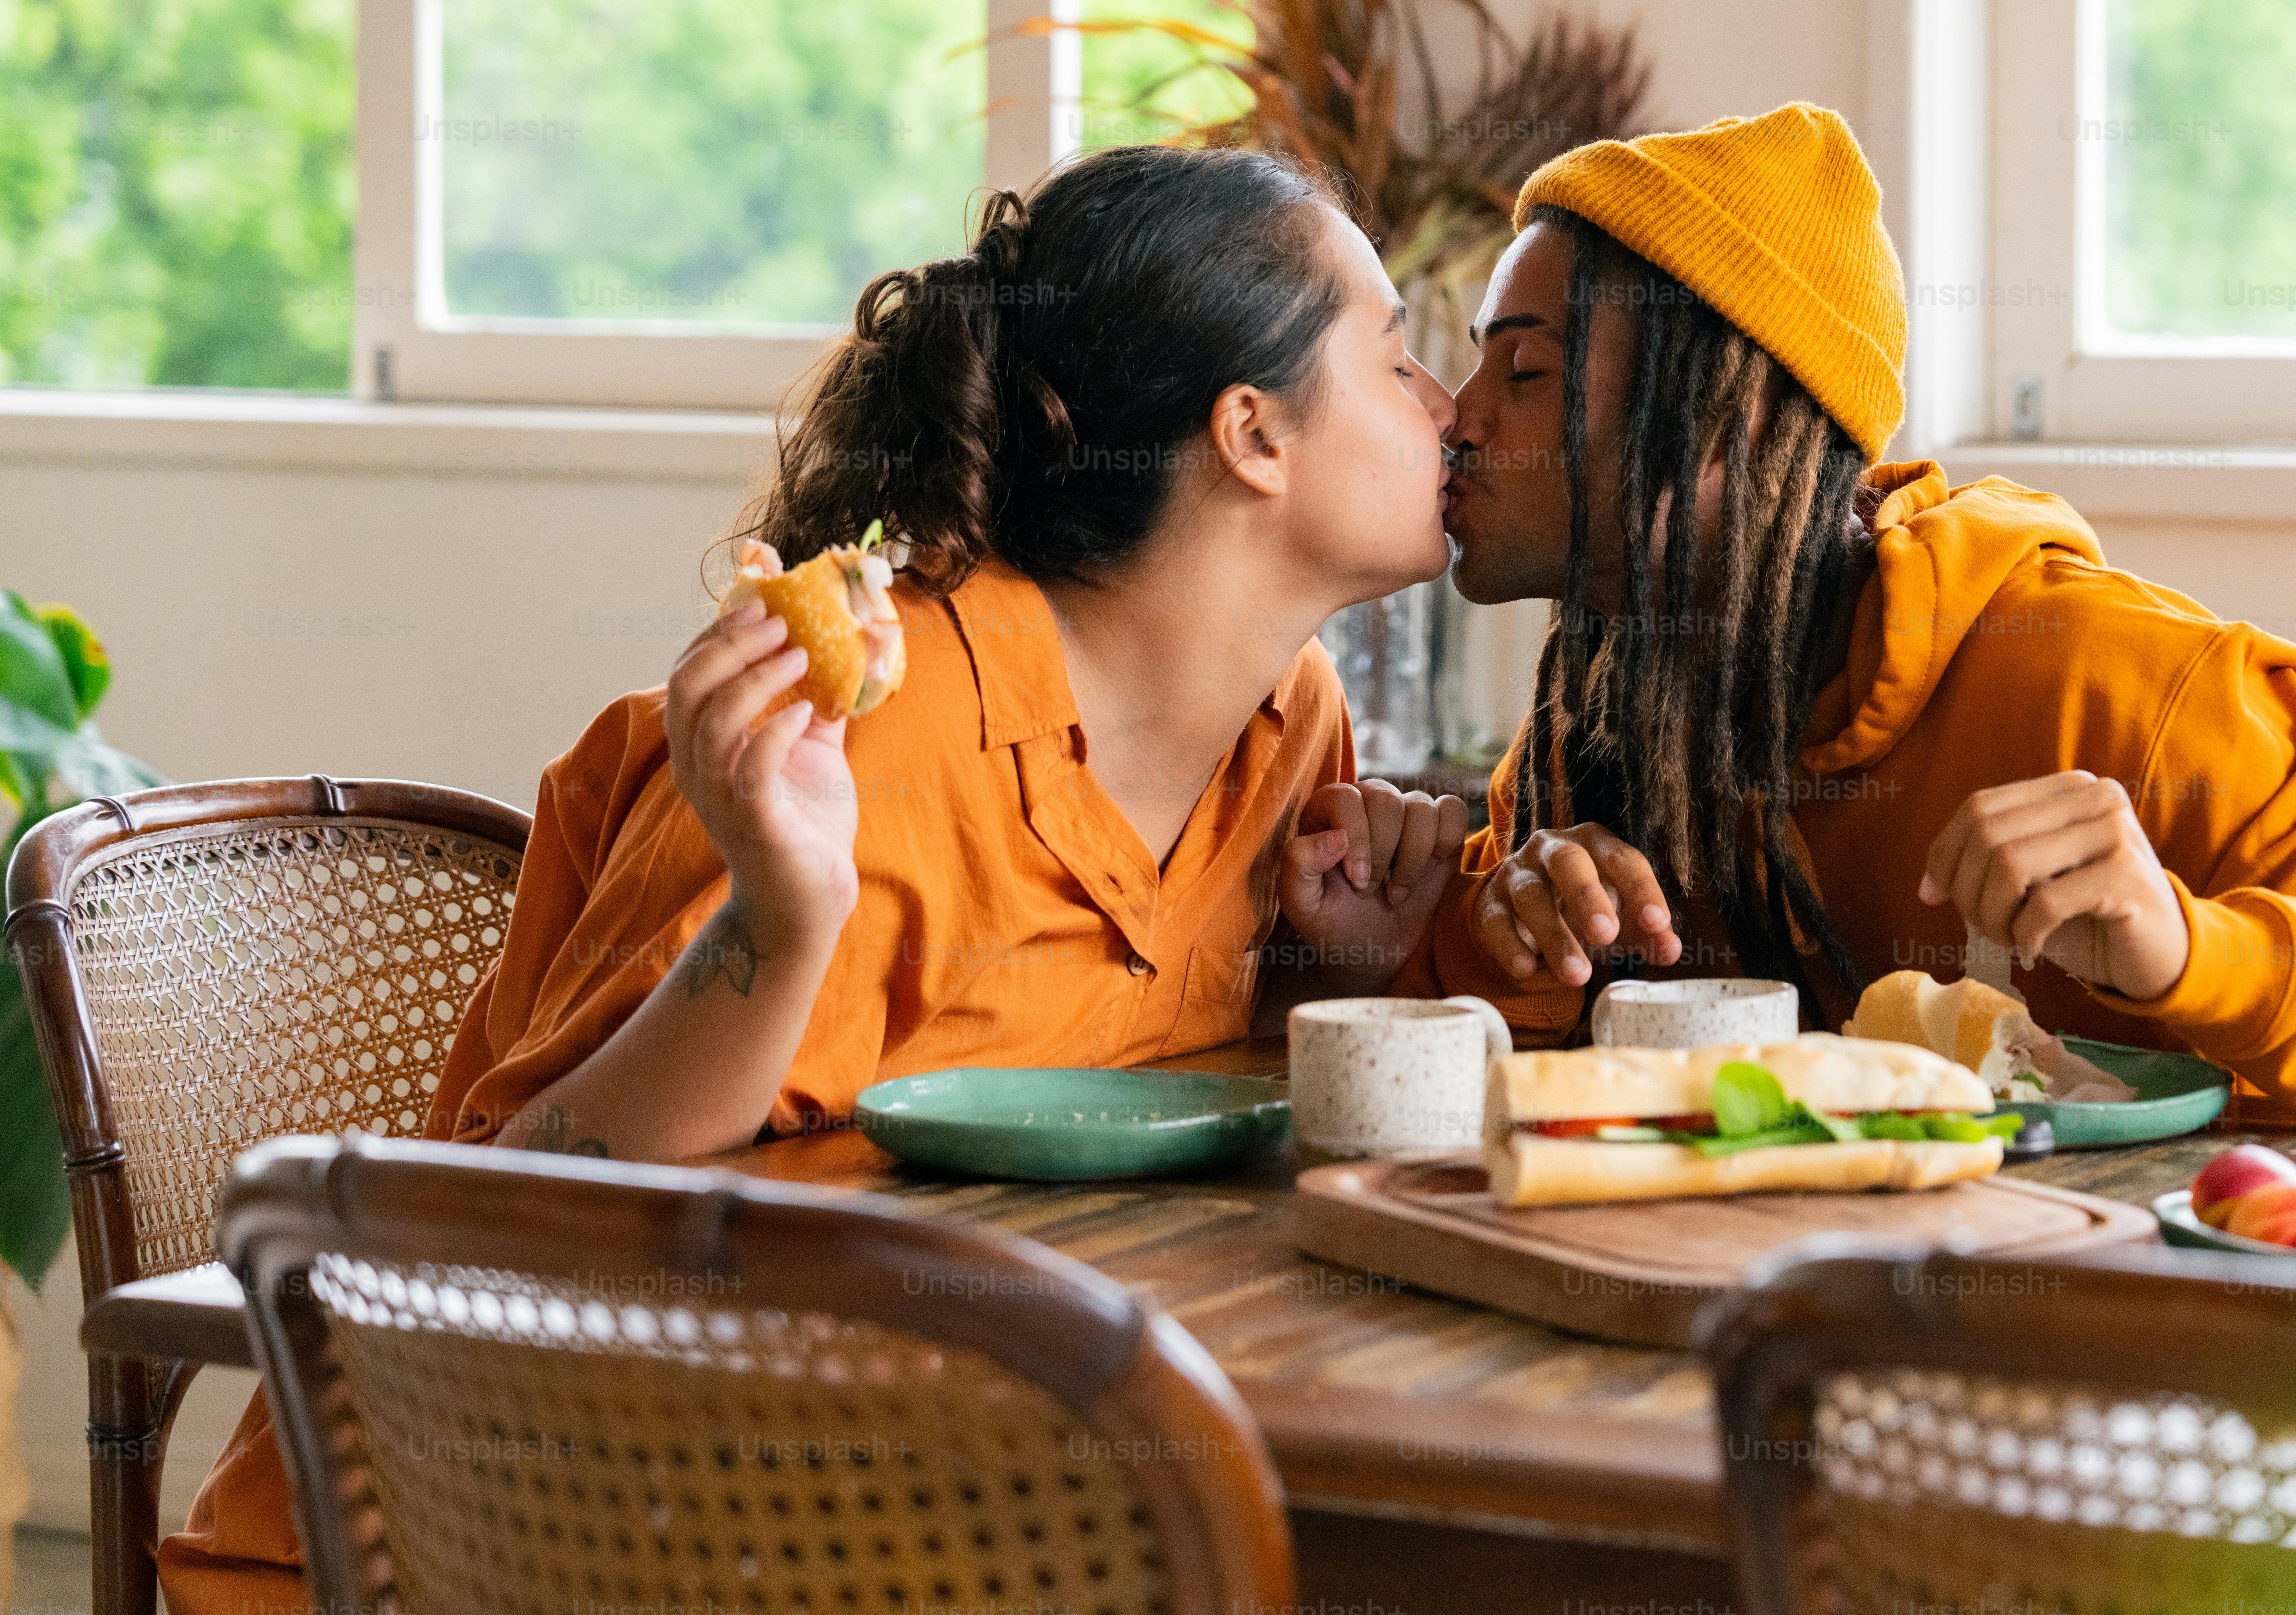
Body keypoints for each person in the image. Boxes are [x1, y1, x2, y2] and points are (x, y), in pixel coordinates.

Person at [161, 145, 1474, 1615]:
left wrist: (1347, 971)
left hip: (908, 1515)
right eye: (1400, 359)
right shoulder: (864, 736)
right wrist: (784, 921)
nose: (1448, 408)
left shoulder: (1289, 727)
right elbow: (500, 1219)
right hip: (464, 1550)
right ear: (1251, 433)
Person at [1401, 101, 2296, 1121]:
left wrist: (2192, 948)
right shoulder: (1603, 707)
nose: (1457, 417)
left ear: (1737, 426)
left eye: (1525, 371)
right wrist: (1501, 931)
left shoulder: (2124, 681)